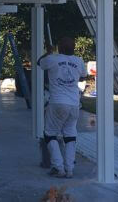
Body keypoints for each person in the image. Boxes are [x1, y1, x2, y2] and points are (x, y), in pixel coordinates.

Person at [37, 37, 87, 178]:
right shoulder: (79, 61)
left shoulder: (52, 59)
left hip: (58, 103)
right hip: (74, 104)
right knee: (70, 135)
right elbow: (83, 77)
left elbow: (39, 62)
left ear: (59, 48)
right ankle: (69, 169)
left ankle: (58, 167)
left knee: (50, 133)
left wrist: (48, 52)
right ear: (73, 48)